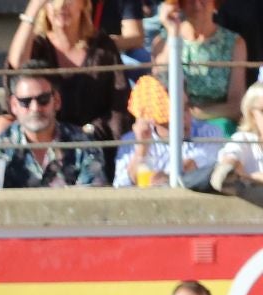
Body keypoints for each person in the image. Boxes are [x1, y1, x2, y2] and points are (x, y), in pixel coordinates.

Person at [6, 0, 127, 144]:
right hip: (44, 142)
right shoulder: (37, 46)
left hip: (95, 141)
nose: (61, 6)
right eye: (52, 0)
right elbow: (17, 65)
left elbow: (119, 104)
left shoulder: (103, 47)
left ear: (83, 4)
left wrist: (88, 131)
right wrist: (32, 10)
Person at [0, 62, 106, 185]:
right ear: (14, 105)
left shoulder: (84, 144)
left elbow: (91, 198)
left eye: (43, 99)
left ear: (57, 101)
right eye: (25, 101)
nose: (35, 108)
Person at [148, 0, 245, 137]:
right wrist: (172, 33)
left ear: (215, 4)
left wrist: (193, 114)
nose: (197, 5)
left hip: (218, 124)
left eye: (203, 0)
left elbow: (236, 105)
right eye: (190, 1)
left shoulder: (235, 43)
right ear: (180, 5)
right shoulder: (162, 42)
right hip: (172, 124)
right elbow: (160, 85)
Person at [112, 73, 215, 184]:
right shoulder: (130, 140)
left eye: (185, 108)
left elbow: (189, 166)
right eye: (174, 110)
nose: (184, 117)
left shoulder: (208, 133)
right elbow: (122, 185)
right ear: (153, 114)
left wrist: (161, 179)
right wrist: (142, 149)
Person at [212, 78, 263, 189]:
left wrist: (247, 177)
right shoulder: (243, 138)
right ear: (251, 114)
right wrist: (228, 167)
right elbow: (230, 156)